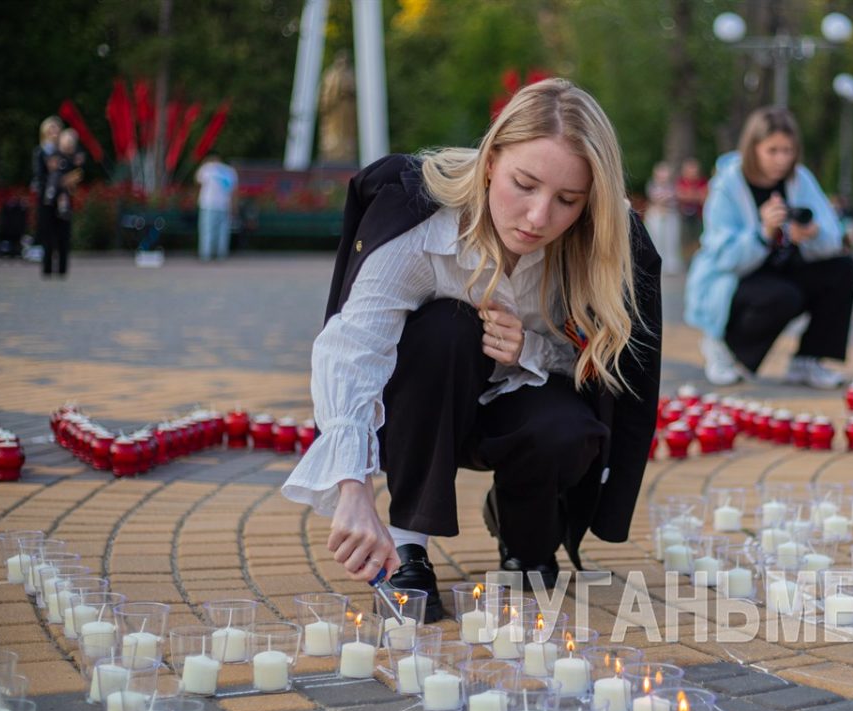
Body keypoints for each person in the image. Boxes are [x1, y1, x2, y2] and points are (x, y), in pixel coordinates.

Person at [281, 79, 662, 620]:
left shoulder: (600, 246)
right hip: (421, 410)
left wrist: (527, 347)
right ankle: (408, 545)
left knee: (565, 436)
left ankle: (521, 528)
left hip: (521, 410)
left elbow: (605, 371)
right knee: (446, 327)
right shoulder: (421, 221)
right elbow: (353, 348)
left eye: (567, 200)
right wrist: (352, 490)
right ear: (490, 161)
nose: (538, 218)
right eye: (524, 185)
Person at [683, 106, 853, 388]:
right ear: (753, 148)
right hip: (735, 278)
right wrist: (763, 233)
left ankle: (807, 360)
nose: (781, 159)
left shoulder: (800, 179)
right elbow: (723, 257)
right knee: (783, 296)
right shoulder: (727, 185)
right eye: (772, 150)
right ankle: (724, 350)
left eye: (787, 150)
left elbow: (833, 238)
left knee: (844, 270)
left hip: (784, 269)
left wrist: (812, 234)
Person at [46, 129, 85, 278]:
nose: (69, 146)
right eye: (67, 143)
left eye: (71, 143)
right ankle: (47, 268)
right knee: (50, 236)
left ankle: (62, 269)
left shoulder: (74, 160)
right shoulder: (55, 156)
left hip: (66, 202)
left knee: (64, 236)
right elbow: (54, 177)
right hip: (53, 200)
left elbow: (78, 176)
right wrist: (65, 180)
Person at [31, 115, 62, 273]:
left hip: (60, 194)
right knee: (46, 225)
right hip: (45, 194)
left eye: (57, 130)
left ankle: (57, 259)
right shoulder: (41, 151)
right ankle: (45, 260)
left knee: (59, 227)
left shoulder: (61, 151)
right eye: (51, 130)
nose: (54, 133)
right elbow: (39, 174)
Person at [195, 152, 238, 261]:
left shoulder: (208, 168)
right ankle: (221, 255)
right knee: (223, 232)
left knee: (207, 231)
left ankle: (206, 255)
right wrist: (234, 207)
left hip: (208, 204)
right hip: (224, 205)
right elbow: (233, 192)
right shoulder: (229, 171)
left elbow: (198, 180)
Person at [644, 161, 683, 274]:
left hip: (671, 215)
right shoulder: (652, 185)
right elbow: (655, 199)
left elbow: (674, 197)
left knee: (671, 240)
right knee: (657, 239)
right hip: (656, 216)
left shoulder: (672, 186)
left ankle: (671, 264)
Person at [675, 157, 708, 256]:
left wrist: (688, 195)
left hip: (699, 216)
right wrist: (696, 195)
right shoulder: (681, 181)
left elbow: (704, 196)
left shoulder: (703, 181)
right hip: (684, 217)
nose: (693, 173)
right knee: (686, 240)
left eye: (694, 170)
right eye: (690, 170)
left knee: (699, 239)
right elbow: (679, 195)